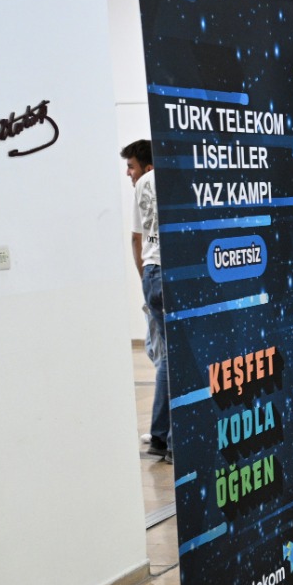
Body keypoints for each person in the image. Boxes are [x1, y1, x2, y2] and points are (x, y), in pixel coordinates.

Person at [122, 139, 169, 462]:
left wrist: (145, 279)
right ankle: (166, 438)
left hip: (153, 271)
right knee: (175, 358)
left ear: (147, 166)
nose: (129, 173)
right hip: (170, 272)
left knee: (166, 356)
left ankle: (161, 435)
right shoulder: (173, 177)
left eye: (131, 166)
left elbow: (136, 239)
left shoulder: (143, 185)